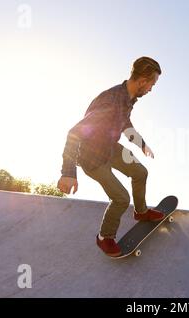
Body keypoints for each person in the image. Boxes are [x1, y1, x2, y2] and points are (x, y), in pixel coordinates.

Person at [57, 57, 165, 257]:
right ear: (142, 80)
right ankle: (104, 237)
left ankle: (141, 212)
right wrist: (68, 173)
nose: (151, 89)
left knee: (140, 172)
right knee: (121, 198)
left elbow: (125, 124)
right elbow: (74, 134)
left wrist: (141, 144)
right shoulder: (110, 100)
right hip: (92, 158)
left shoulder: (129, 98)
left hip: (111, 147)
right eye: (152, 84)